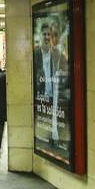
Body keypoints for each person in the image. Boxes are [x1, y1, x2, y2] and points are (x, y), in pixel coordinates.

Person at [33, 16, 68, 148]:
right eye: (44, 34)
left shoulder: (57, 53)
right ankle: (45, 138)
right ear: (40, 36)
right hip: (41, 95)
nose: (47, 37)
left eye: (49, 34)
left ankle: (54, 137)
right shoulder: (35, 54)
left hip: (54, 94)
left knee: (53, 119)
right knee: (43, 119)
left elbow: (64, 70)